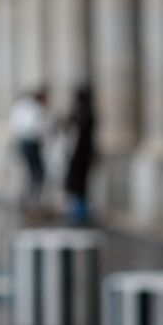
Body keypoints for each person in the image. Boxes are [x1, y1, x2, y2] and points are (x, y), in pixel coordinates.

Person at [9, 88, 50, 217]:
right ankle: (32, 204)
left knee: (32, 174)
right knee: (36, 174)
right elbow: (36, 128)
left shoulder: (23, 108)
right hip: (30, 144)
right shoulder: (34, 110)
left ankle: (28, 203)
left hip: (25, 143)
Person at [63, 84, 96, 225]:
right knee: (82, 185)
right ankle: (81, 213)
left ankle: (77, 213)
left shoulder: (76, 114)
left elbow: (70, 135)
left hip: (76, 155)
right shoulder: (89, 113)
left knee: (76, 184)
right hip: (85, 155)